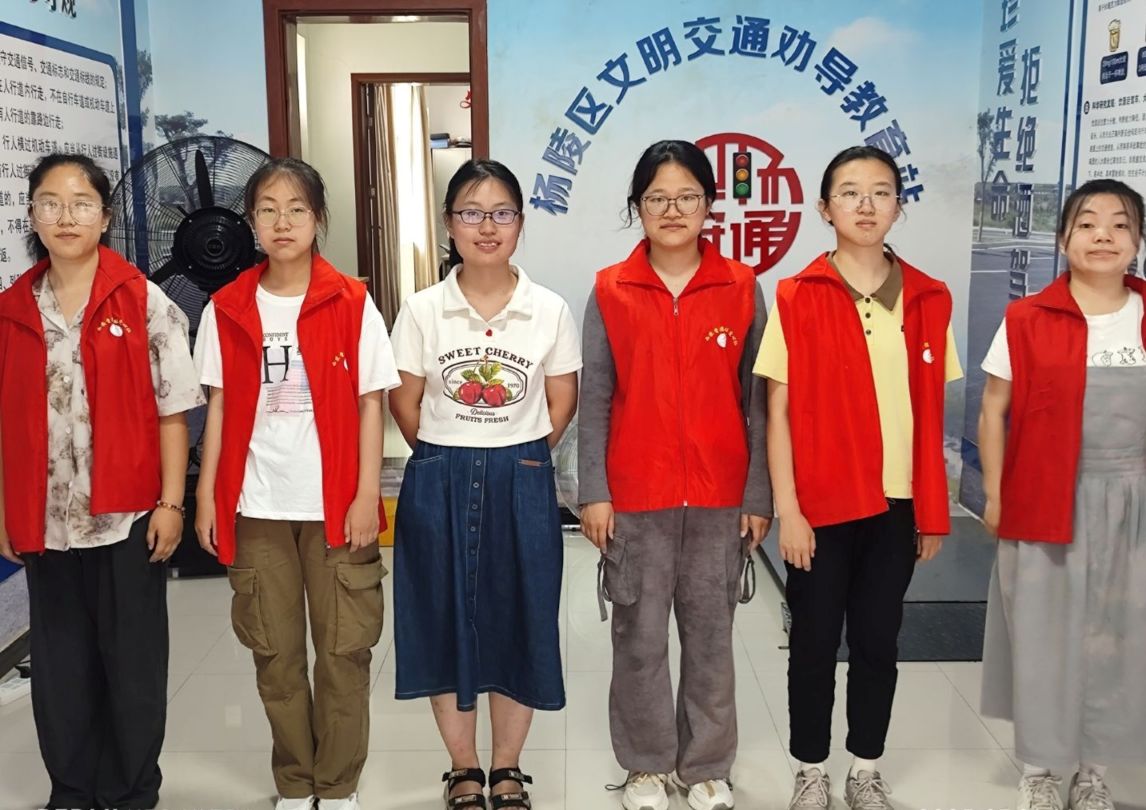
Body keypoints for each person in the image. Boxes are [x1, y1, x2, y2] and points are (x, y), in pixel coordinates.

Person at [754, 145, 962, 810]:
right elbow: (778, 413)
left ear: (899, 206)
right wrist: (789, 509)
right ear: (825, 208)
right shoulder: (797, 294)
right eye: (849, 192)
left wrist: (933, 510)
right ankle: (810, 769)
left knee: (878, 641)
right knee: (813, 643)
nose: (866, 205)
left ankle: (865, 767)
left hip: (897, 504)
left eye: (881, 192)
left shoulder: (930, 296)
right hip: (819, 505)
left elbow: (930, 415)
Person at [194, 157, 399, 810]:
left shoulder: (352, 302)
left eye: (296, 209)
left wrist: (366, 495)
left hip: (335, 506)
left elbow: (372, 404)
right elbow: (219, 407)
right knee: (274, 653)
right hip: (257, 505)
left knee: (344, 652)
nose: (282, 222)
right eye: (268, 210)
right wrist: (207, 496)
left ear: (318, 219)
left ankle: (335, 786)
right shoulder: (227, 308)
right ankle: (294, 780)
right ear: (251, 222)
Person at [0, 153, 203, 810]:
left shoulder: (143, 300)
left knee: (132, 665)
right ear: (32, 215)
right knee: (61, 667)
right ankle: (72, 790)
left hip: (127, 516)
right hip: (46, 520)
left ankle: (130, 791)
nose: (66, 216)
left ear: (105, 216)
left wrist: (171, 502)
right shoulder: (11, 311)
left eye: (81, 203)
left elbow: (174, 412)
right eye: (50, 203)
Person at [578, 139, 772, 810]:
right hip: (637, 498)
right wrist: (594, 492)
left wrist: (757, 494)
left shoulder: (741, 287)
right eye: (656, 198)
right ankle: (646, 765)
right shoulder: (611, 289)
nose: (672, 210)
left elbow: (759, 403)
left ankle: (707, 765)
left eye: (687, 196)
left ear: (709, 204)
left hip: (721, 498)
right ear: (637, 207)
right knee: (638, 639)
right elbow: (596, 398)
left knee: (711, 639)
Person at [388, 158, 580, 810]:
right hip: (438, 475)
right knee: (443, 619)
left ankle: (507, 769)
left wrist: (514, 450)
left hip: (521, 476)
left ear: (520, 223)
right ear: (450, 224)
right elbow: (405, 403)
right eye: (471, 213)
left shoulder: (548, 309)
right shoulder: (422, 309)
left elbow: (560, 401)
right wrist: (451, 448)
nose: (487, 227)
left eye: (501, 213)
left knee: (520, 617)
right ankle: (463, 768)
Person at [979, 178, 1146, 810]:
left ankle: (1094, 772)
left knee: (1117, 637)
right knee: (1044, 633)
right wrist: (995, 495)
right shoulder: (1026, 318)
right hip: (1046, 498)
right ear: (1062, 238)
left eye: (1120, 224)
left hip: (1134, 503)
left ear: (1137, 241)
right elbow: (993, 411)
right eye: (1087, 223)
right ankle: (1040, 770)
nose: (1104, 235)